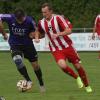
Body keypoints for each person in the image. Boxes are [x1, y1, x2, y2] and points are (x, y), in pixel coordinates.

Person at [36, 3, 92, 93]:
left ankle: (87, 85)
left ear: (51, 11)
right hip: (55, 48)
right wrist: (36, 37)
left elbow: (69, 30)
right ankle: (76, 77)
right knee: (62, 65)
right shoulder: (41, 22)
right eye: (42, 12)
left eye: (45, 12)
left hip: (67, 46)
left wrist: (58, 34)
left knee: (78, 66)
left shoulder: (58, 18)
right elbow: (38, 30)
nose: (44, 14)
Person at [0, 8, 45, 92]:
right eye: (19, 20)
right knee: (17, 60)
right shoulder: (10, 17)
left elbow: (36, 29)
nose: (21, 21)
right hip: (15, 44)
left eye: (22, 19)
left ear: (24, 16)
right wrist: (4, 33)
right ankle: (28, 81)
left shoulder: (29, 20)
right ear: (16, 18)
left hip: (28, 45)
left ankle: (41, 83)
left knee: (35, 66)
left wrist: (36, 37)